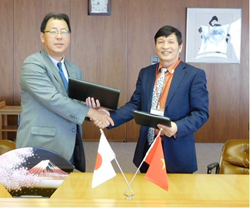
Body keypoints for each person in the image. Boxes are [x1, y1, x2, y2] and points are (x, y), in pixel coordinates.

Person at [87, 25, 209, 173]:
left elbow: (201, 113)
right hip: (148, 146)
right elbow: (135, 104)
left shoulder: (194, 75)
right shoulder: (146, 73)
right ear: (155, 46)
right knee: (147, 193)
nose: (165, 46)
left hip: (177, 148)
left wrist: (177, 128)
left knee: (177, 194)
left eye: (170, 42)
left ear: (180, 46)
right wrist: (109, 117)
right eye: (160, 42)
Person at [16, 13, 114, 172]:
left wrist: (92, 109)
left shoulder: (74, 70)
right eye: (53, 31)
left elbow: (74, 104)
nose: (59, 36)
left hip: (69, 145)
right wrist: (90, 113)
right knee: (37, 195)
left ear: (69, 37)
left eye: (64, 32)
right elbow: (54, 99)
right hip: (40, 146)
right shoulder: (33, 64)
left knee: (66, 194)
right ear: (42, 36)